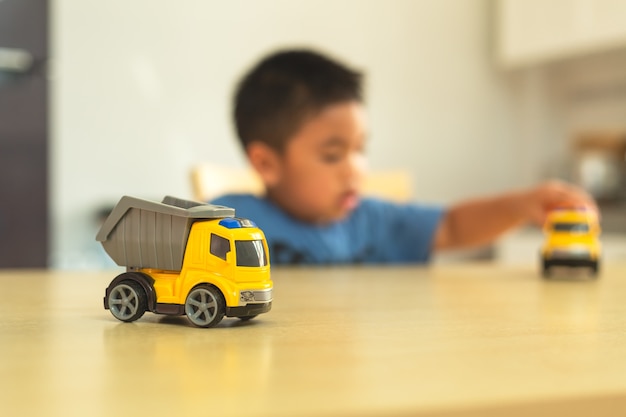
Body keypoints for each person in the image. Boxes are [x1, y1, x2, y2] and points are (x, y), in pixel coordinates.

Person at [212, 49, 597, 264]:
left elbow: (452, 227)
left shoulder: (372, 220)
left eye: (360, 149)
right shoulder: (226, 223)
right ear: (267, 163)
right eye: (333, 155)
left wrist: (519, 205)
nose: (356, 170)